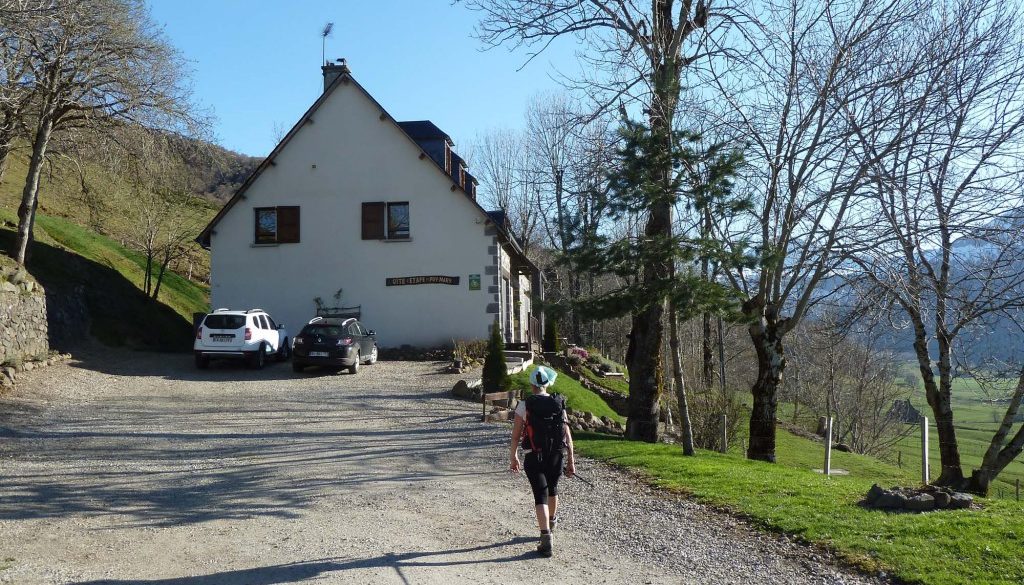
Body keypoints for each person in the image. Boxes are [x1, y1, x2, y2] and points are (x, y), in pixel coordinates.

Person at [509, 365, 576, 558]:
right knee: (553, 489)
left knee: (540, 494)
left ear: (532, 385)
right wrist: (571, 459)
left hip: (533, 454)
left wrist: (513, 456)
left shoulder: (524, 405)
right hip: (556, 454)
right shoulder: (559, 403)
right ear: (546, 384)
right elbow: (567, 434)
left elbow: (515, 435)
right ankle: (552, 522)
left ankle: (546, 538)